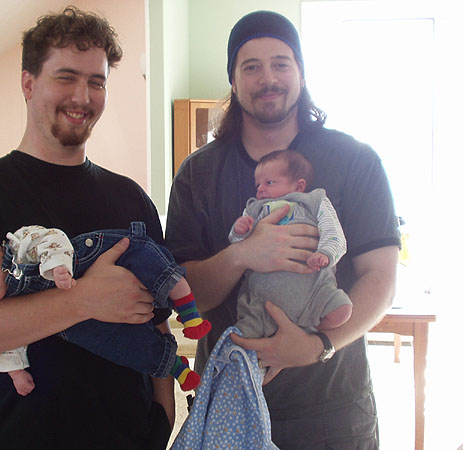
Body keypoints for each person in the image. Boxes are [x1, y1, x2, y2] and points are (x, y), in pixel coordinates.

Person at [0, 7, 174, 449]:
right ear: (28, 83)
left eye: (97, 82)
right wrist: (84, 300)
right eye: (66, 77)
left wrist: (162, 419)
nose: (83, 96)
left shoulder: (131, 199)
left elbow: (158, 323)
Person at [165, 10, 400, 449]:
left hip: (333, 412)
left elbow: (381, 278)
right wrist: (243, 254)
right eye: (251, 67)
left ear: (301, 73)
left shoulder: (356, 161)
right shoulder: (198, 173)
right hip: (229, 404)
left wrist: (319, 344)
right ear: (233, 81)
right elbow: (183, 293)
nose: (268, 78)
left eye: (281, 63)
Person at [0, 225, 209, 395]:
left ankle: (189, 313)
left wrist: (57, 267)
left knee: (148, 261)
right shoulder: (1, 303)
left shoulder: (19, 245)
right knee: (130, 346)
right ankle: (175, 366)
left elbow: (52, 238)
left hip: (85, 259)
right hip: (82, 329)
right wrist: (16, 372)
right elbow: (8, 339)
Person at [229, 150, 352, 339]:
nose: (260, 189)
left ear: (299, 185)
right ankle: (241, 349)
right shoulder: (254, 209)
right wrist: (239, 231)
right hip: (264, 298)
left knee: (342, 310)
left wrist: (326, 253)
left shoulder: (314, 202)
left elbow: (333, 231)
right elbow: (238, 248)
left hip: (314, 289)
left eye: (269, 182)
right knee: (245, 333)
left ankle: (310, 330)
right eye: (258, 184)